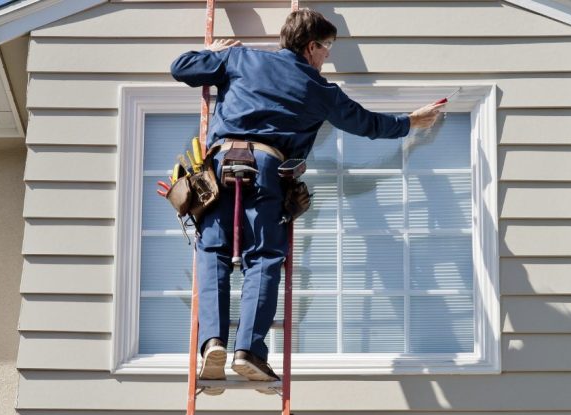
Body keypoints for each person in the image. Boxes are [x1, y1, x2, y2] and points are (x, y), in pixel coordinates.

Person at [169, 8, 444, 391]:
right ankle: (248, 350)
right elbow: (366, 124)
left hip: (217, 170)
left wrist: (213, 52)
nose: (329, 55)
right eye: (327, 46)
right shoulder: (319, 89)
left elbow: (181, 68)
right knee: (264, 258)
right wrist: (411, 121)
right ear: (311, 46)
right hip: (265, 170)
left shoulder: (240, 57)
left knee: (212, 252)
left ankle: (212, 343)